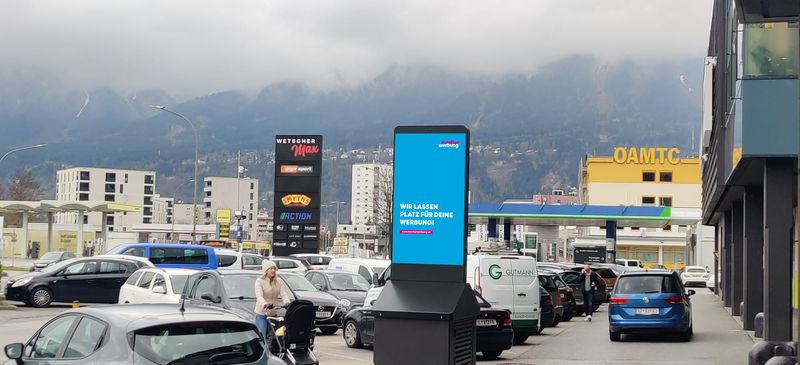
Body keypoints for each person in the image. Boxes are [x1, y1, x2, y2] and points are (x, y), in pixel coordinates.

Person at [254, 260, 291, 341]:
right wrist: (265, 304)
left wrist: (287, 302)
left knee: (274, 336)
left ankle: (273, 351)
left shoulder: (279, 281)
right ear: (266, 270)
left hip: (273, 313)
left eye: (274, 268)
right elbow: (259, 296)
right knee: (262, 335)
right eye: (271, 268)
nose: (273, 270)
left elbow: (283, 294)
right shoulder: (259, 281)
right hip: (262, 313)